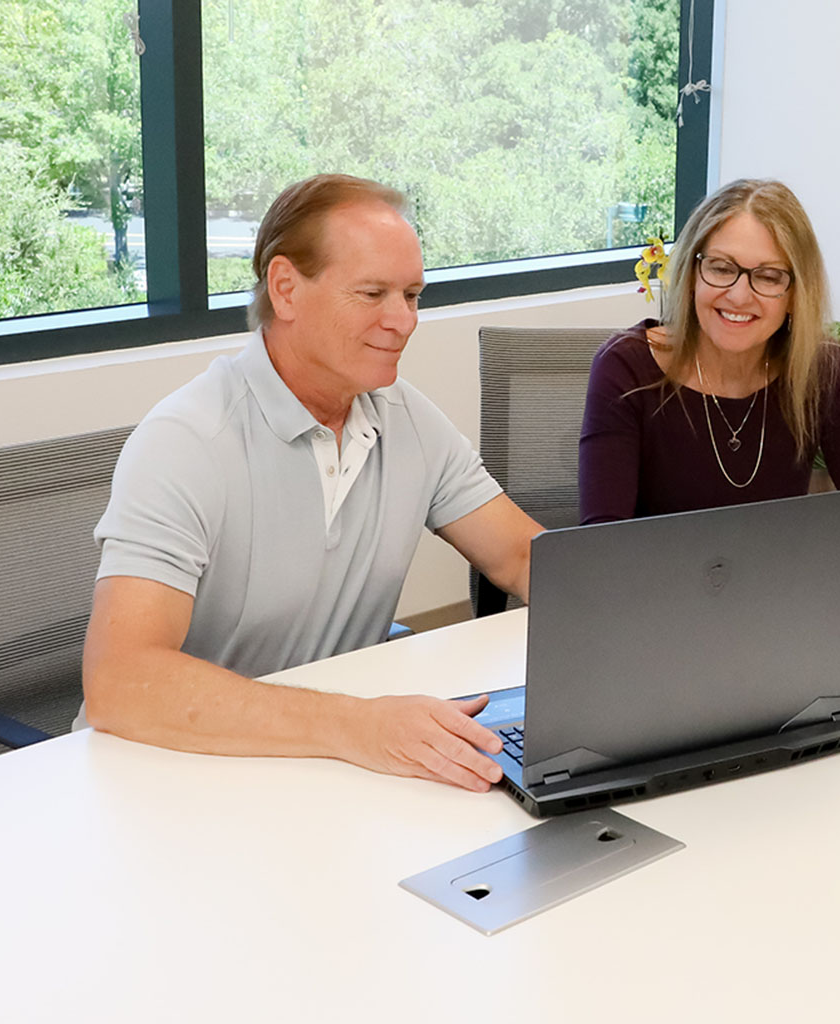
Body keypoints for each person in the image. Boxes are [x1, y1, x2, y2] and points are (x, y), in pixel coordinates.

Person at [81, 173, 543, 789]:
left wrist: (661, 630)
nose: (402, 321)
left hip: (317, 770)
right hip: (165, 773)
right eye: (373, 293)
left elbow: (519, 555)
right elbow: (120, 682)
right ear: (286, 288)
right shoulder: (187, 440)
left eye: (412, 295)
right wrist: (358, 726)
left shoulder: (407, 419)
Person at [579, 178, 840, 656]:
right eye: (721, 268)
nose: (739, 295)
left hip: (775, 631)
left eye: (769, 276)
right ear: (693, 271)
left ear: (796, 290)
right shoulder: (626, 368)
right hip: (652, 631)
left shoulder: (823, 371)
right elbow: (601, 549)